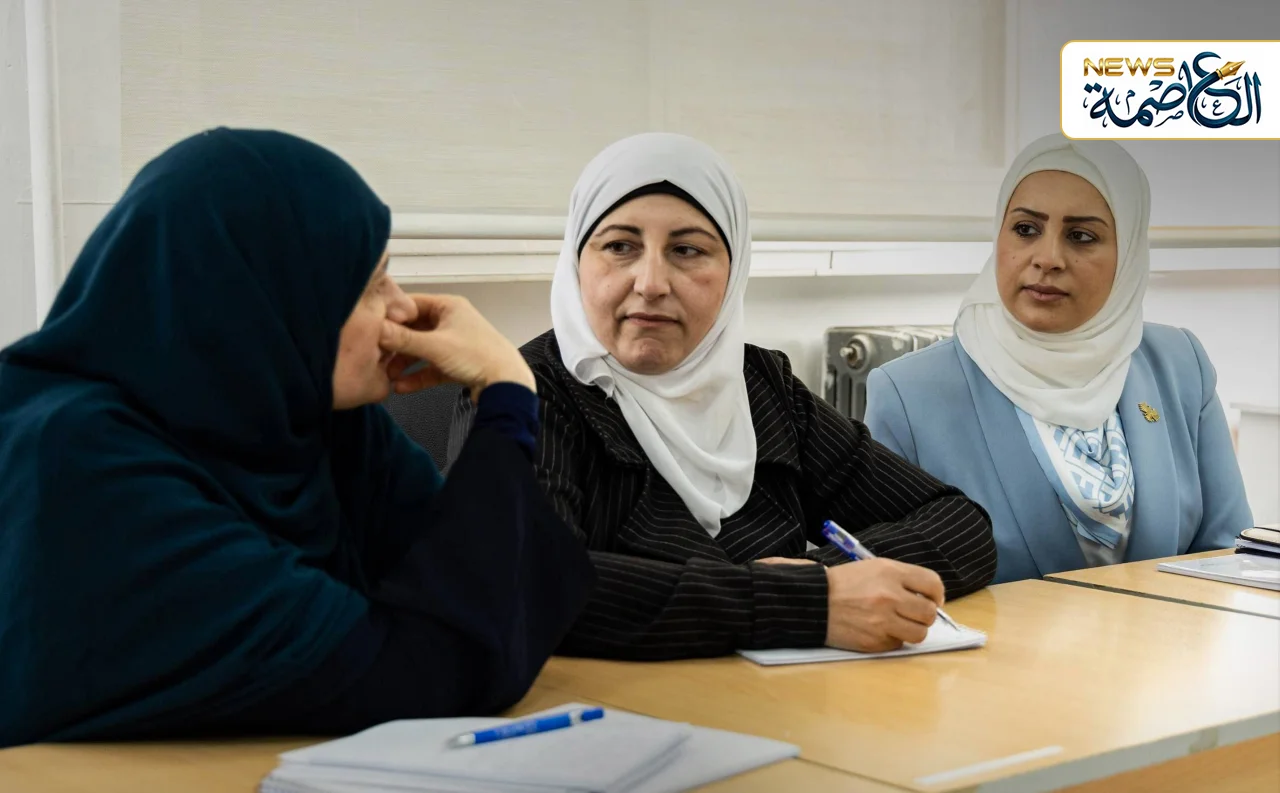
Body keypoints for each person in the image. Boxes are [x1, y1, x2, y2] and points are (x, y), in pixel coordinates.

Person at [0, 128, 594, 748]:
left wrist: (504, 396)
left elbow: (494, 607)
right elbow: (437, 669)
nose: (401, 309)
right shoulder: (79, 463)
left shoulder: (315, 424)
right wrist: (506, 395)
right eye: (370, 284)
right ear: (255, 302)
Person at [445, 133, 996, 662]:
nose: (651, 282)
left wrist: (824, 575)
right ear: (576, 262)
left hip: (781, 704)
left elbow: (959, 524)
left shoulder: (762, 386)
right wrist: (804, 602)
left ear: (734, 271)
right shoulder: (522, 391)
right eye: (619, 247)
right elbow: (536, 582)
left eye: (687, 250)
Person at [864, 134, 1252, 584]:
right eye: (1026, 229)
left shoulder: (1179, 365)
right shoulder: (909, 394)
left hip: (1172, 629)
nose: (1047, 258)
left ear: (1127, 254)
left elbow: (1229, 557)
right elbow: (882, 585)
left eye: (1081, 236)